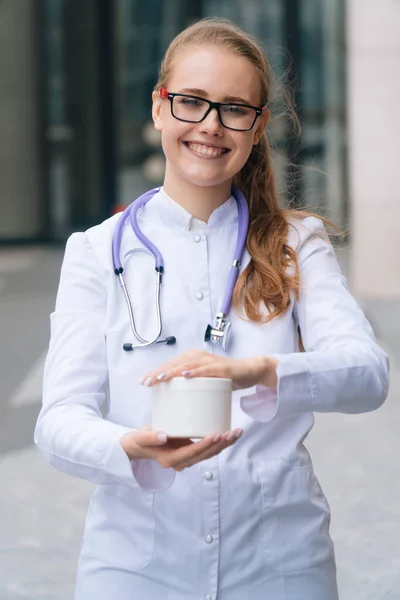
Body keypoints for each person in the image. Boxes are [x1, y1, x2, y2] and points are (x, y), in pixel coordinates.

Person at [34, 17, 389, 600]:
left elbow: (368, 375)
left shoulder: (297, 243)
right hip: (136, 565)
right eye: (192, 102)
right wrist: (129, 447)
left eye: (234, 109)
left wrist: (260, 371)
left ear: (257, 127)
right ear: (158, 108)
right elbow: (57, 422)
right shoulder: (98, 251)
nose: (211, 126)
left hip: (280, 563)